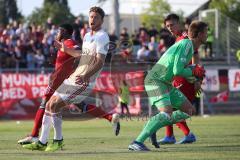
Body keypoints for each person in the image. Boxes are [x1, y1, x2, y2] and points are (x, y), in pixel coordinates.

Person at [22, 6, 114, 152]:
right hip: (75, 77)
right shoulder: (87, 36)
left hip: (84, 81)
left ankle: (55, 140)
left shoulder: (102, 36)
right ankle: (43, 141)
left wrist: (85, 75)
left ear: (102, 20)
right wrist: (64, 49)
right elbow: (83, 57)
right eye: (91, 16)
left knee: (55, 105)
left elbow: (100, 61)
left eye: (96, 17)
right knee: (49, 104)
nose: (92, 19)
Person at [128, 20, 208, 151]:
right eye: (206, 32)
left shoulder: (189, 46)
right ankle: (137, 142)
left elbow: (180, 69)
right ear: (199, 34)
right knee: (166, 113)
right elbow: (177, 70)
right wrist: (193, 71)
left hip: (165, 82)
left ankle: (154, 125)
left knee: (189, 111)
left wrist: (194, 76)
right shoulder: (187, 43)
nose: (207, 35)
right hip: (155, 80)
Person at [152, 14, 200, 146]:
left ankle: (186, 135)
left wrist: (196, 78)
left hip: (184, 78)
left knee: (173, 106)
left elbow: (196, 56)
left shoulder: (185, 38)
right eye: (167, 26)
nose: (170, 28)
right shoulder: (178, 39)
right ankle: (170, 136)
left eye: (172, 25)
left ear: (178, 23)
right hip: (177, 77)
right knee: (170, 106)